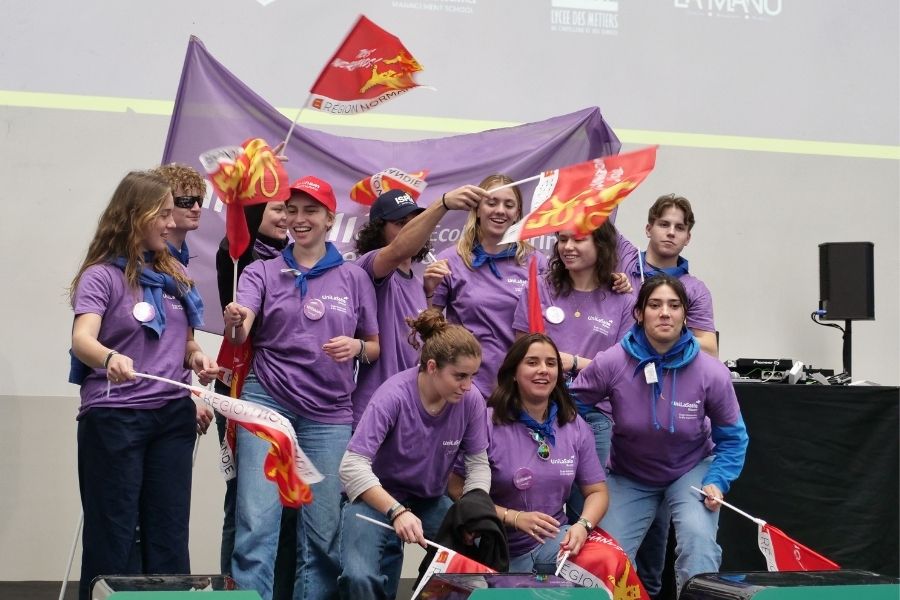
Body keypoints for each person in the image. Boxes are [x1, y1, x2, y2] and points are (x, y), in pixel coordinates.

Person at [223, 176, 380, 600]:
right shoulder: (261, 270)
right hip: (266, 402)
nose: (298, 219)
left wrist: (357, 347)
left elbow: (375, 346)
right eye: (291, 210)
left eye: (310, 211)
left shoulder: (353, 277)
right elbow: (241, 335)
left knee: (323, 532)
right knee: (256, 521)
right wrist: (236, 321)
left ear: (330, 218)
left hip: (328, 414)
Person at [68, 171, 218, 600]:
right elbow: (82, 339)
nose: (172, 224)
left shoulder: (174, 274)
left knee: (169, 533)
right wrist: (109, 357)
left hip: (171, 416)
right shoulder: (102, 276)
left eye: (173, 214)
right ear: (136, 216)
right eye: (164, 214)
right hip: (115, 417)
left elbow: (184, 341)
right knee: (114, 534)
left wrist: (197, 357)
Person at [570, 274, 748, 594]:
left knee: (698, 546)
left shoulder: (711, 372)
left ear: (684, 315)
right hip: (629, 473)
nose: (664, 312)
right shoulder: (612, 362)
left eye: (673, 305)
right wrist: (589, 460)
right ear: (639, 313)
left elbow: (733, 437)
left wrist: (718, 480)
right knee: (603, 558)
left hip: (690, 471)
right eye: (655, 305)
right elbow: (571, 408)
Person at [338, 309, 490, 599]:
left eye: (472, 376)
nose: (468, 386)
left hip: (429, 499)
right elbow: (351, 466)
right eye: (459, 376)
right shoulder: (393, 395)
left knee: (467, 570)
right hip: (379, 496)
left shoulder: (470, 401)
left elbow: (478, 465)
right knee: (359, 577)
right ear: (432, 367)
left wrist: (474, 510)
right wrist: (396, 511)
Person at [449, 333, 608, 574]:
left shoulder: (574, 425)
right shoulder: (487, 423)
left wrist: (583, 526)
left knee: (608, 560)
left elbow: (597, 491)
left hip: (555, 544)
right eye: (532, 362)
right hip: (495, 548)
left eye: (551, 363)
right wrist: (512, 517)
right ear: (513, 373)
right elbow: (455, 486)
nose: (543, 370)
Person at [352, 185, 486, 428]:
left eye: (416, 222)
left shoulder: (417, 282)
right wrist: (442, 203)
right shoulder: (371, 266)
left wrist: (428, 294)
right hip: (373, 409)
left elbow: (421, 345)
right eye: (401, 223)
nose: (412, 229)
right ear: (377, 230)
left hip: (409, 410)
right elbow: (400, 249)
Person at [213, 200, 292, 589]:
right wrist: (252, 179)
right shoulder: (236, 255)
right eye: (276, 208)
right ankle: (235, 588)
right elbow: (236, 236)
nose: (285, 217)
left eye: (289, 210)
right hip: (240, 384)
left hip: (290, 390)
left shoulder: (295, 260)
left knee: (287, 502)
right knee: (245, 498)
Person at [513, 221, 635, 467]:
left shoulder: (623, 299)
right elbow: (520, 353)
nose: (567, 247)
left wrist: (575, 363)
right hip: (541, 411)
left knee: (590, 500)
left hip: (595, 415)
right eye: (563, 239)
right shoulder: (540, 287)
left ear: (601, 244)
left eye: (578, 240)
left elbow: (624, 370)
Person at [427, 174, 547, 397]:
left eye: (509, 205)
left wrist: (615, 282)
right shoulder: (451, 260)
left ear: (517, 214)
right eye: (492, 202)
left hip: (517, 388)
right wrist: (428, 291)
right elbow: (430, 327)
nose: (500, 210)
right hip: (465, 387)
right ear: (477, 209)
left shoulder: (535, 263)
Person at [623, 194, 718, 357]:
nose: (671, 233)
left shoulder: (695, 290)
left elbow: (710, 350)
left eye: (680, 228)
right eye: (664, 224)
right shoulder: (624, 257)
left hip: (666, 374)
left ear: (687, 238)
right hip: (612, 370)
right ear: (648, 229)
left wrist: (665, 333)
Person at [152, 163, 206, 267]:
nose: (196, 208)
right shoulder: (149, 260)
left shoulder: (181, 255)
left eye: (199, 201)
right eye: (186, 201)